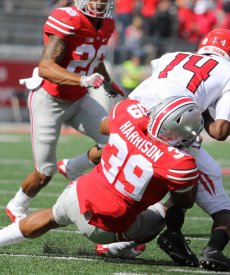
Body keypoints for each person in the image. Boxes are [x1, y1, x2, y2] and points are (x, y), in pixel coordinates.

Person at [0, 96, 203, 259]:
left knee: (51, 216)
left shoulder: (128, 113)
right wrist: (191, 153)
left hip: (78, 195)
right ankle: (115, 247)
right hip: (108, 229)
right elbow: (185, 200)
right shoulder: (179, 163)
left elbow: (103, 127)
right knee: (165, 211)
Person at [122, 28, 230, 272]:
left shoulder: (171, 56)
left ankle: (171, 233)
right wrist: (203, 110)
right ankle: (211, 248)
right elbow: (220, 131)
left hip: (129, 115)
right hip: (170, 126)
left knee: (130, 180)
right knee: (206, 191)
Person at [6, 0, 125, 223]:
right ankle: (17, 204)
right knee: (44, 172)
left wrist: (107, 81)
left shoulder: (107, 24)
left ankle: (73, 167)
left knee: (117, 141)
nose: (99, 3)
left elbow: (93, 58)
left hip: (79, 98)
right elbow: (45, 67)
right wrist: (83, 80)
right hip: (49, 99)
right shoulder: (68, 19)